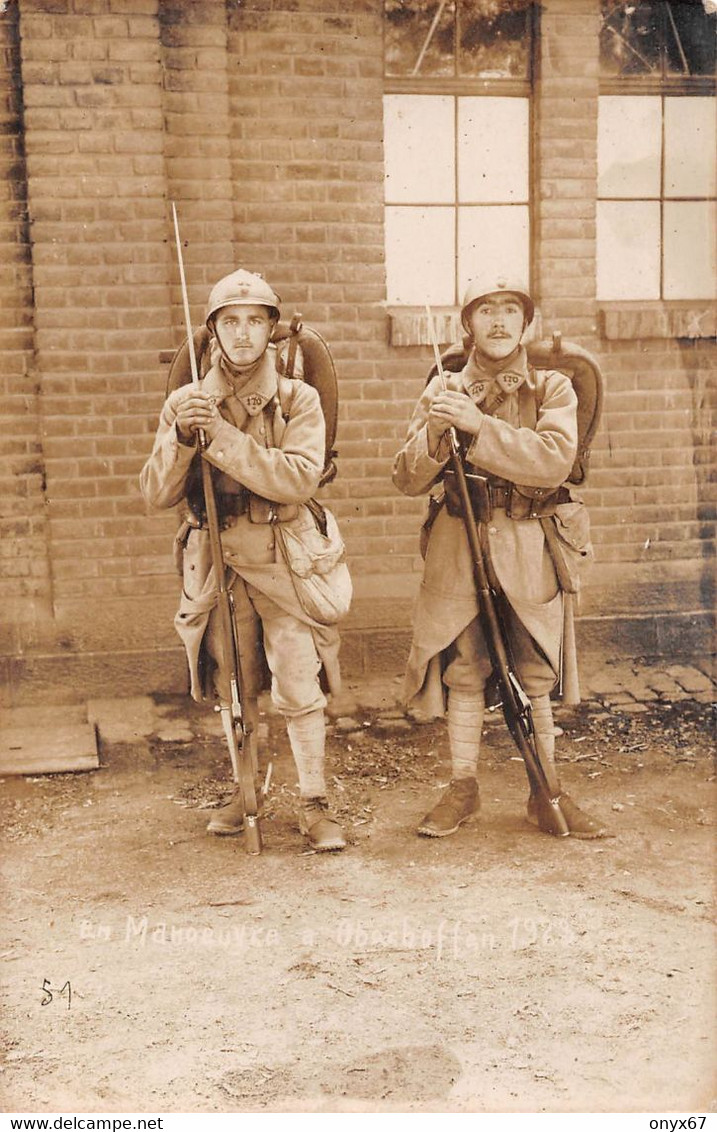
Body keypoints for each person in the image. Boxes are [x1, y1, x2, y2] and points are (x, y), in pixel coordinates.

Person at [392, 273, 609, 840]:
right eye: (485, 310)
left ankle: (547, 789)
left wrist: (479, 427)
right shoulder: (444, 388)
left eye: (510, 309)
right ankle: (463, 787)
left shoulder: (553, 388)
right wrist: (438, 432)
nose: (497, 321)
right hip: (461, 542)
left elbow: (552, 462)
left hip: (528, 540)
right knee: (466, 667)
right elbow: (406, 478)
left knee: (535, 668)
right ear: (468, 323)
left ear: (525, 322)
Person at [140, 268, 347, 851]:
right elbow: (156, 493)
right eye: (229, 322)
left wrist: (224, 441)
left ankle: (314, 801)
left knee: (298, 678)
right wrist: (183, 438)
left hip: (284, 556)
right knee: (235, 683)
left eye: (256, 321)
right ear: (211, 332)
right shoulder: (187, 403)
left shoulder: (295, 399)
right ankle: (246, 788)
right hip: (218, 560)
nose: (243, 334)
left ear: (272, 331)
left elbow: (300, 478)